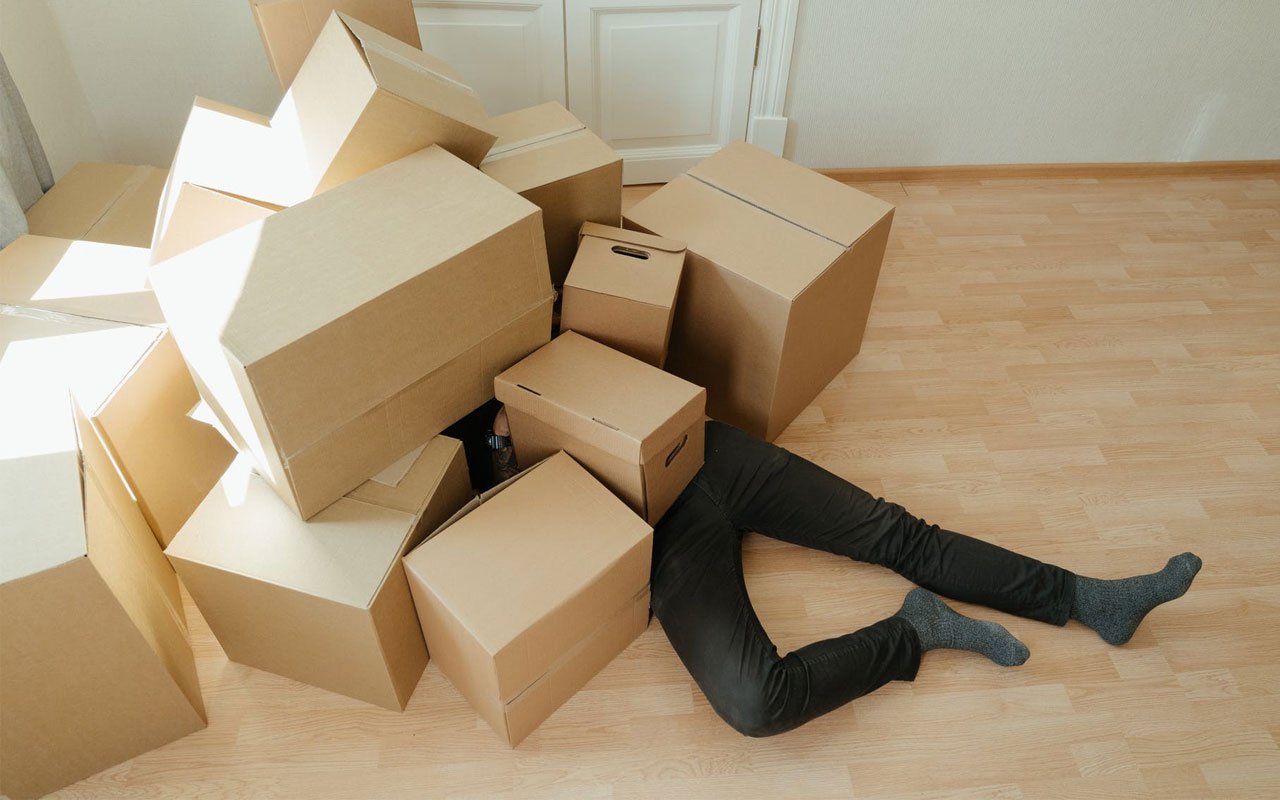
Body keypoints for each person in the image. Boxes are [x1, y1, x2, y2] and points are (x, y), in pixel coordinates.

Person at [488, 413, 1203, 738]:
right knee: (755, 704)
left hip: (691, 447)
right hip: (645, 529)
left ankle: (1091, 598)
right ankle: (913, 632)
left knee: (896, 533)